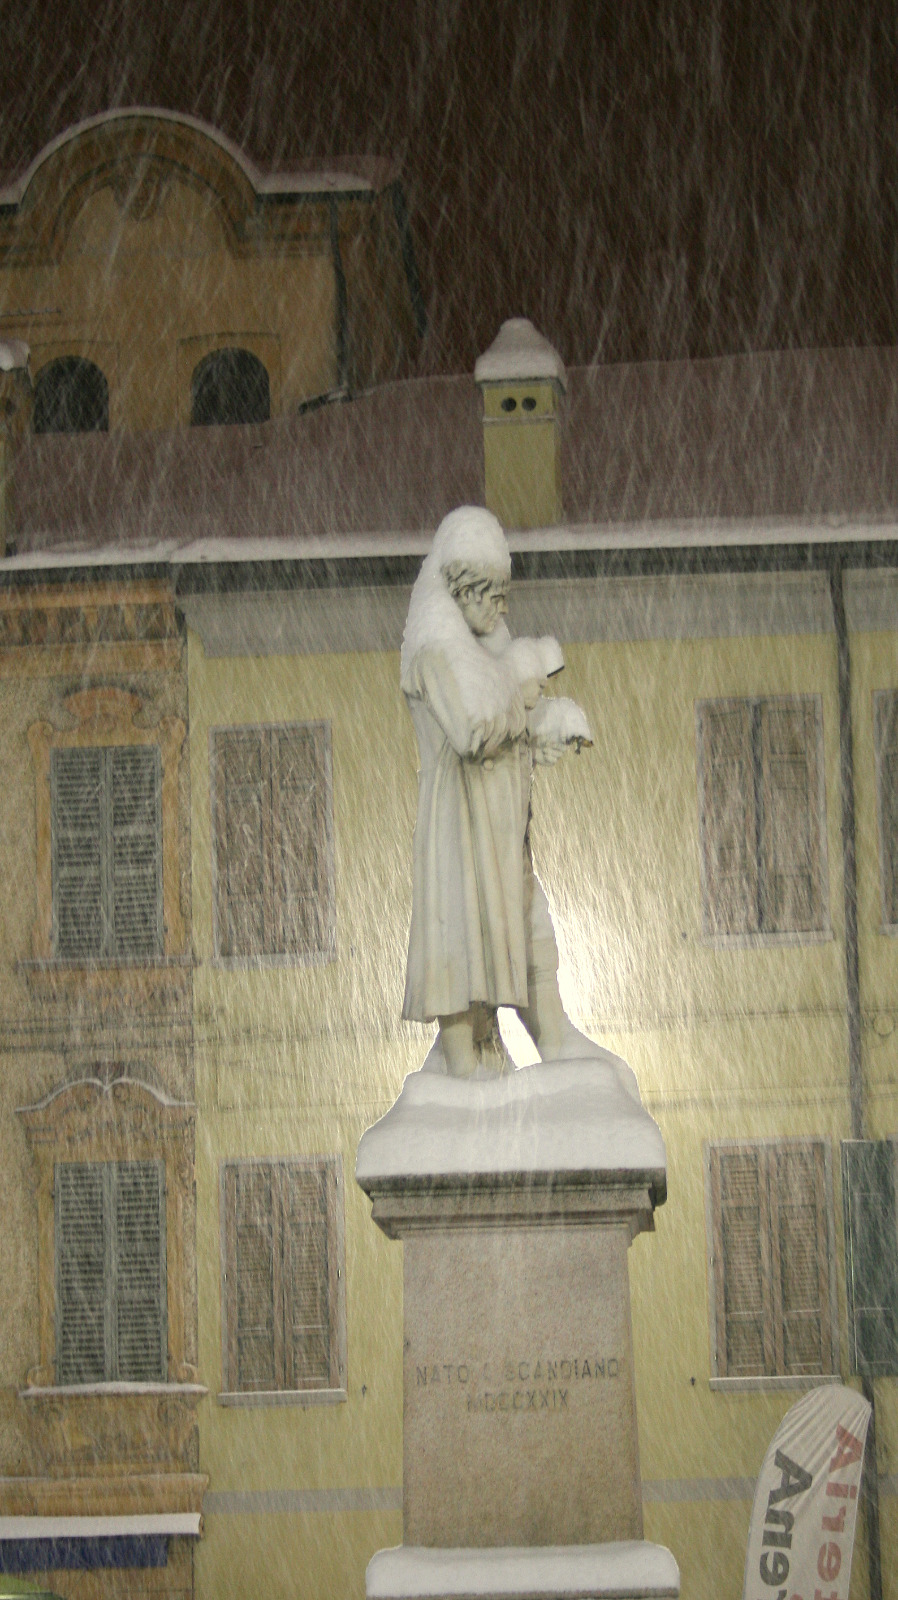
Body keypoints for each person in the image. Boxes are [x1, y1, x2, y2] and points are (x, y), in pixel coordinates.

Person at [401, 504, 613, 1081]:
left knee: (528, 933)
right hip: (463, 830)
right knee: (462, 938)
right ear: (462, 589)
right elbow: (475, 727)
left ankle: (555, 1045)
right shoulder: (437, 652)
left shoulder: (481, 648)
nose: (501, 608)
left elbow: (509, 726)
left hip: (501, 830)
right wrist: (520, 690)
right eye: (492, 595)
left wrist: (552, 722)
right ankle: (465, 1064)